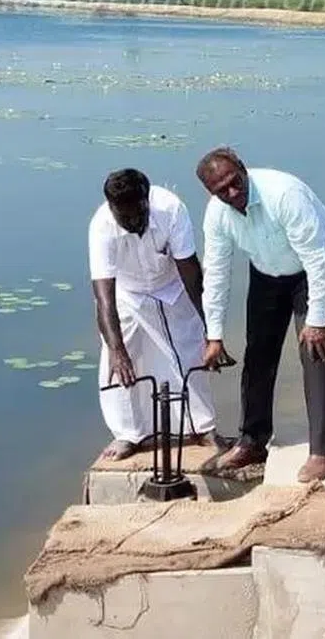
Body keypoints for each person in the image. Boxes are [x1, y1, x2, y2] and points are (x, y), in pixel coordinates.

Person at [196, 147, 325, 482]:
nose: (233, 193)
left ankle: (324, 450)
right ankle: (252, 439)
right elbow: (217, 272)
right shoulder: (217, 214)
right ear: (211, 193)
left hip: (312, 265)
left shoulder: (284, 194)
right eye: (222, 191)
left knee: (313, 350)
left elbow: (318, 258)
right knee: (258, 352)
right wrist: (215, 335)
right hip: (266, 271)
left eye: (236, 182)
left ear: (244, 169)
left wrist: (316, 319)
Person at [88, 168, 221, 460]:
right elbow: (104, 296)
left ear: (147, 202)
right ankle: (129, 434)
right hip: (128, 293)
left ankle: (202, 427)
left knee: (189, 350)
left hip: (172, 284)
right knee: (123, 364)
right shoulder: (101, 227)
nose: (132, 223)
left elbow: (190, 271)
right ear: (112, 208)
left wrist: (212, 331)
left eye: (137, 216)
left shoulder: (171, 208)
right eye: (124, 217)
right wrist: (115, 348)